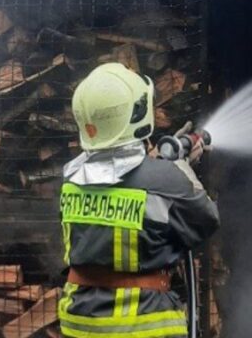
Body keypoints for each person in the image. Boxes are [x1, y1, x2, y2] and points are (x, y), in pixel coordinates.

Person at [58, 62, 220, 338]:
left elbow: (127, 181)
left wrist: (158, 163)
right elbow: (206, 221)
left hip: (79, 324)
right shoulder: (165, 180)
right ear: (138, 112)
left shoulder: (72, 177)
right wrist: (181, 168)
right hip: (142, 326)